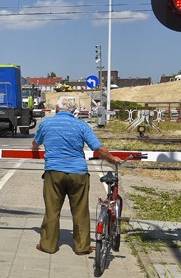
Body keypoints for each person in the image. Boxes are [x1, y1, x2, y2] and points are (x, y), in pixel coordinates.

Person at [32, 96, 122, 255]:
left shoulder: (46, 123)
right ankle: (82, 247)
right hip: (78, 173)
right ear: (74, 111)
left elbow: (35, 143)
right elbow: (98, 148)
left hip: (54, 173)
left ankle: (48, 245)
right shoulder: (81, 125)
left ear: (57, 109)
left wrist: (35, 151)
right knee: (80, 210)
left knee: (52, 210)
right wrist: (111, 158)